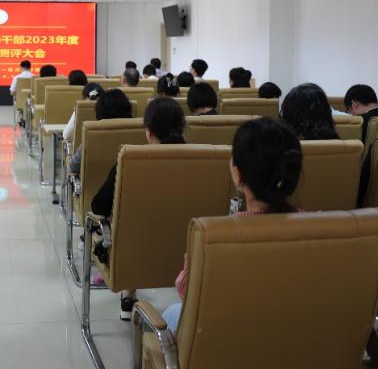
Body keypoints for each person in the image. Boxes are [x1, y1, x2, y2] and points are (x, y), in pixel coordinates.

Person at [162, 118, 303, 331]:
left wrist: (189, 267)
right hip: (292, 332)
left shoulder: (212, 236)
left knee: (170, 314)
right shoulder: (321, 227)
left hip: (229, 336)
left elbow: (188, 295)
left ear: (238, 175)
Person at [92, 95, 186, 321]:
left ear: (148, 131)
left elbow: (98, 206)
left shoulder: (130, 162)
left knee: (137, 226)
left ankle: (129, 293)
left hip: (136, 257)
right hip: (188, 256)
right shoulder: (209, 160)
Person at [68, 86, 128, 174]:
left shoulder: (91, 134)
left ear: (99, 110)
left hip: (93, 182)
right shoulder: (140, 131)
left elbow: (73, 167)